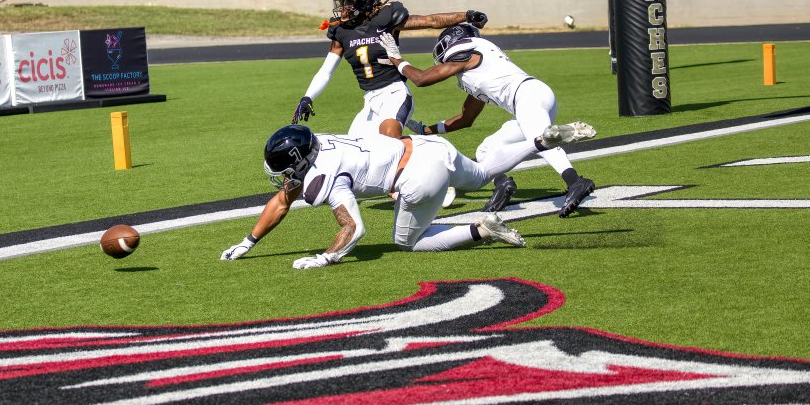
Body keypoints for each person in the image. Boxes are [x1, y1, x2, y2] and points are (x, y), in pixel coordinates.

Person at [219, 119, 596, 268]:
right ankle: (540, 141)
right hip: (427, 146)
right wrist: (249, 242)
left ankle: (481, 230)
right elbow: (283, 199)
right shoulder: (321, 141)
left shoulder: (325, 177)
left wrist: (326, 257)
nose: (285, 179)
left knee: (407, 243)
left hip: (417, 176)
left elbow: (354, 229)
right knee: (482, 175)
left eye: (287, 170)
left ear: (300, 161)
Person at [378, 23, 597, 218]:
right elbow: (466, 118)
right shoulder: (480, 70)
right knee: (487, 149)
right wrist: (426, 129)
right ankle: (502, 185)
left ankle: (575, 181)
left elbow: (422, 79)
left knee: (541, 139)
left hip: (528, 96)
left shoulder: (466, 52)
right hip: (531, 99)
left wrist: (396, 59)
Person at [291, 0, 487, 140]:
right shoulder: (341, 30)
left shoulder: (386, 19)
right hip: (370, 101)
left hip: (394, 94)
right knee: (357, 154)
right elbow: (326, 70)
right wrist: (308, 97)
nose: (342, 8)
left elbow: (430, 20)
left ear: (364, 0)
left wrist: (466, 15)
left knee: (389, 142)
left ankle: (428, 159)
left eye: (348, 1)